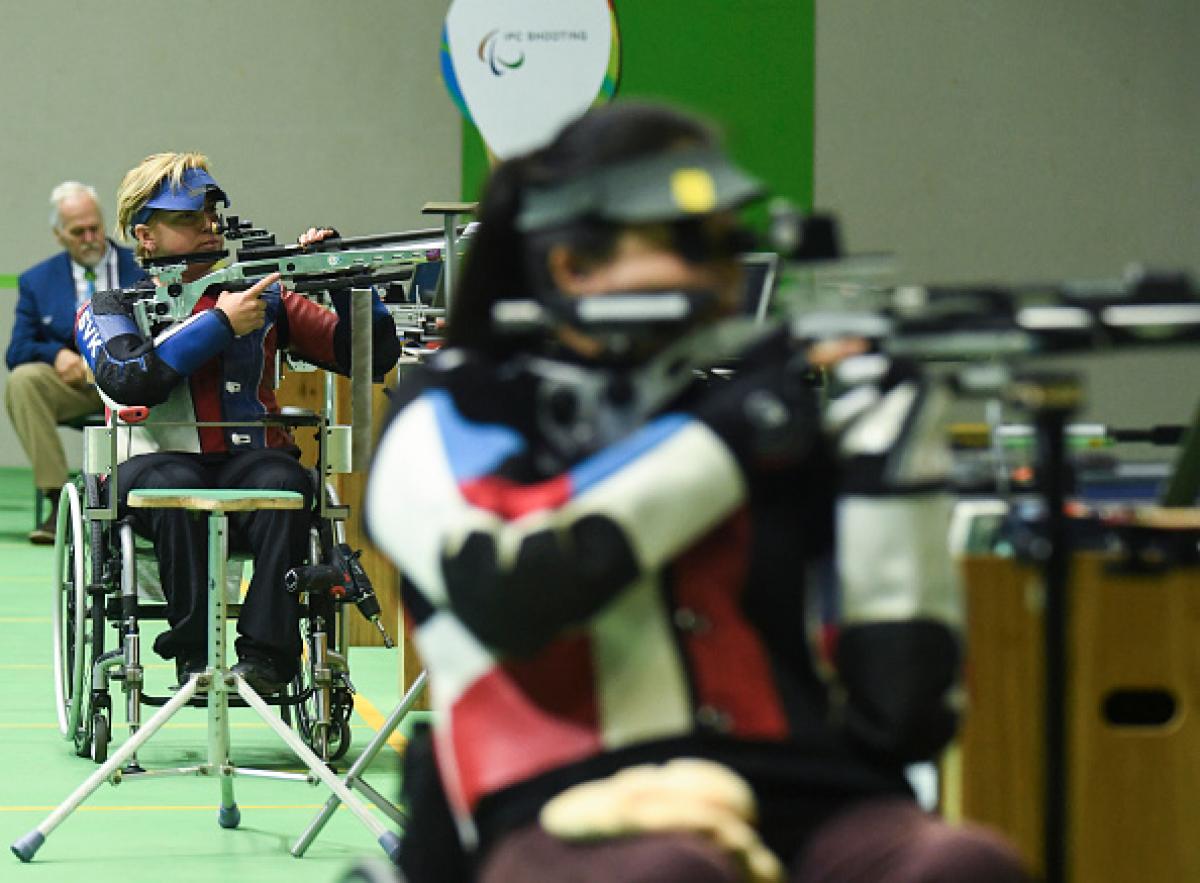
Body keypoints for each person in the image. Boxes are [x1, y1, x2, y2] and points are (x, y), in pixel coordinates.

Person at [365, 103, 1031, 882]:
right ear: (572, 267)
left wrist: (895, 469)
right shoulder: (457, 409)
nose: (720, 274)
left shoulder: (746, 417)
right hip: (564, 799)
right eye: (687, 242)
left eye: (729, 243)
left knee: (960, 864)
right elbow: (512, 584)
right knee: (668, 873)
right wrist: (739, 431)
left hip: (809, 791)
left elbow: (906, 716)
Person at [76, 152, 401, 694]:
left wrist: (344, 277)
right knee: (175, 487)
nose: (207, 227)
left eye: (210, 214)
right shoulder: (112, 304)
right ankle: (195, 657)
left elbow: (370, 356)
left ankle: (267, 659)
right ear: (144, 235)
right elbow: (133, 377)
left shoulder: (267, 296)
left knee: (287, 484)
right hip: (153, 464)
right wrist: (220, 323)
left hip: (255, 461)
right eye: (186, 218)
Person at [6, 181, 145, 543]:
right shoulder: (37, 281)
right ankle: (58, 502)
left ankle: (137, 501)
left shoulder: (142, 268)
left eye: (94, 227)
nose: (89, 237)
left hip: (135, 381)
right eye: (77, 231)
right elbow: (16, 349)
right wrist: (55, 355)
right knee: (23, 380)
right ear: (59, 235)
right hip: (77, 386)